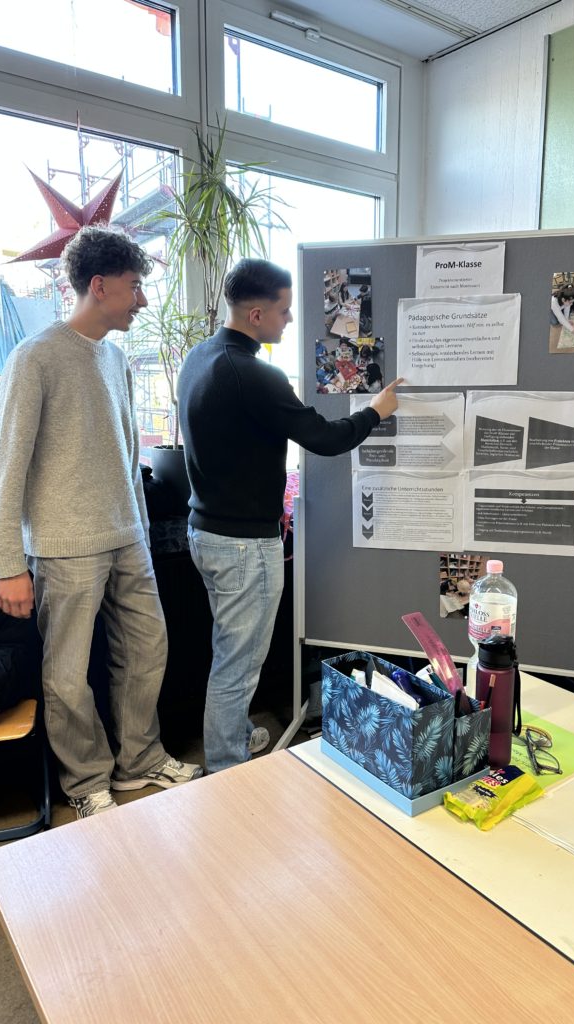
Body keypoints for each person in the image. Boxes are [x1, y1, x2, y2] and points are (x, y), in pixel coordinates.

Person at [0, 224, 203, 818]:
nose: (143, 300)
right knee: (67, 674)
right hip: (62, 545)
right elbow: (1, 470)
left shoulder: (116, 359)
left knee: (148, 650)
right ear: (99, 286)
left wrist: (141, 530)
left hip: (127, 537)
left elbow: (127, 457)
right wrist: (7, 565)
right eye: (135, 286)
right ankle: (85, 782)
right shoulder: (34, 358)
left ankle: (140, 760)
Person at [177, 258, 402, 773]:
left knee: (230, 650)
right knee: (237, 664)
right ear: (256, 314)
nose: (291, 320)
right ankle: (226, 770)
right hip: (242, 546)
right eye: (284, 310)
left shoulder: (200, 357)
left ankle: (234, 736)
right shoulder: (254, 374)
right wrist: (376, 410)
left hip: (206, 531)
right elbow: (325, 438)